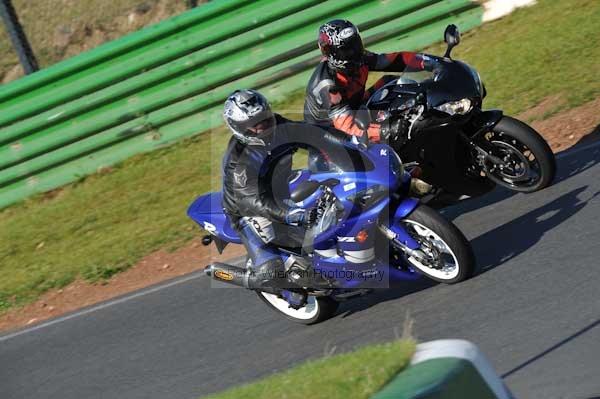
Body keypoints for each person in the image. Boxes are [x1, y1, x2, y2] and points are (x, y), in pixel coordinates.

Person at [221, 89, 349, 308]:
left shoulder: (278, 126)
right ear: (240, 128)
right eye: (255, 124)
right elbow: (252, 201)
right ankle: (282, 289)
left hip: (282, 189)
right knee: (271, 271)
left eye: (264, 119)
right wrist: (288, 214)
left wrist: (348, 142)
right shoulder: (239, 160)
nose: (263, 126)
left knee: (334, 209)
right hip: (250, 210)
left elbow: (312, 135)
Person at [304, 19, 434, 143]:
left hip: (355, 107)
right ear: (332, 53)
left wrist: (429, 62)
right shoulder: (328, 86)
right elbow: (348, 128)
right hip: (331, 137)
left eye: (355, 45)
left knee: (391, 82)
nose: (354, 52)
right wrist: (386, 130)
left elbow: (393, 61)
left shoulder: (359, 58)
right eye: (347, 49)